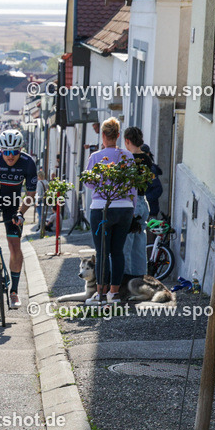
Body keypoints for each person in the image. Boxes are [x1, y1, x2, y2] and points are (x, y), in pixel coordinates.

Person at [0, 129, 37, 309]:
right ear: (1, 150)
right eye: (6, 152)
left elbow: (30, 193)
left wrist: (21, 212)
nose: (10, 156)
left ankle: (14, 292)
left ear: (20, 150)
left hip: (13, 204)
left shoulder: (28, 163)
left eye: (14, 152)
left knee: (15, 245)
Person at [84, 117, 135, 305]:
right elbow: (133, 186)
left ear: (104, 135)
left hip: (102, 208)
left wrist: (101, 180)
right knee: (118, 252)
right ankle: (114, 294)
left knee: (102, 252)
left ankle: (100, 293)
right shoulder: (128, 156)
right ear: (118, 135)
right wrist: (133, 209)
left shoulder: (96, 157)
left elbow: (88, 182)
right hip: (125, 209)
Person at [121, 127, 152, 281]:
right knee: (139, 245)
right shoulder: (147, 158)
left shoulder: (127, 159)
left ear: (127, 140)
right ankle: (140, 278)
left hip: (132, 203)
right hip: (143, 201)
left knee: (126, 246)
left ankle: (126, 281)